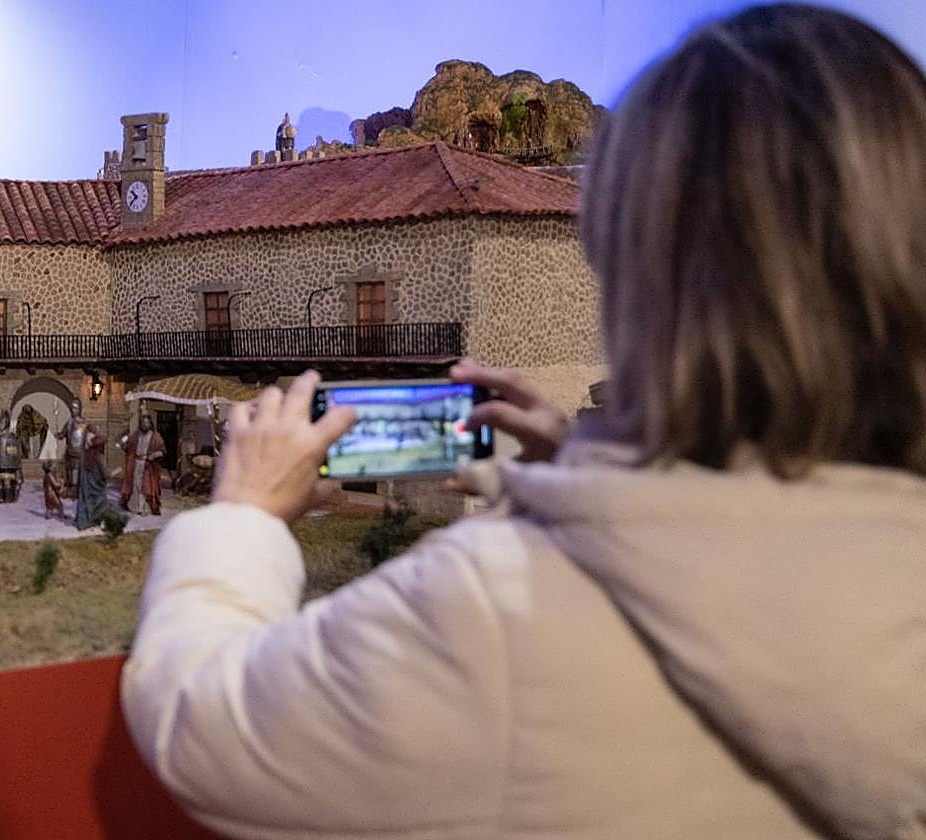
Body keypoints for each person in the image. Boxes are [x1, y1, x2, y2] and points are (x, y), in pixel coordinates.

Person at [121, 7, 926, 840]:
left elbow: (200, 732)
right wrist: (595, 471)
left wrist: (246, 514)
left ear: (639, 271)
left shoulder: (497, 607)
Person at [117, 414, 165, 515]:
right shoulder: (136, 435)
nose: (145, 425)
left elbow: (162, 450)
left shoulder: (155, 436)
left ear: (150, 424)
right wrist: (123, 444)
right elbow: (128, 446)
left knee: (146, 487)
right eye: (143, 423)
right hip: (136, 463)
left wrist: (154, 455)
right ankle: (134, 507)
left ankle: (144, 509)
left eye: (147, 423)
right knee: (136, 484)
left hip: (147, 464)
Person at [74, 426, 110, 531]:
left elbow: (103, 439)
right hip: (86, 482)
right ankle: (85, 521)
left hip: (96, 481)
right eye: (88, 434)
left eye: (92, 435)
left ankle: (99, 520)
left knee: (99, 500)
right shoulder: (84, 452)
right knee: (86, 501)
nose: (90, 437)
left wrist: (104, 477)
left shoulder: (96, 452)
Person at [54, 398, 88, 499]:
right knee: (69, 471)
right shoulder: (69, 422)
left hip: (79, 452)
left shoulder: (84, 423)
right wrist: (58, 435)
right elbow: (63, 434)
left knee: (77, 472)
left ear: (79, 409)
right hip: (69, 452)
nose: (73, 410)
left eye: (75, 408)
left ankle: (77, 491)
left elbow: (85, 438)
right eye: (72, 408)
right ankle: (70, 491)